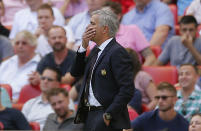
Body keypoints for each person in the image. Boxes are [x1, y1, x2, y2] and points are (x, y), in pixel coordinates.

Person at [70, 8, 134, 131]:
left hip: (107, 119)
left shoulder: (117, 52)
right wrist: (83, 46)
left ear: (105, 29)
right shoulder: (95, 50)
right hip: (89, 115)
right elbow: (75, 72)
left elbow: (127, 89)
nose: (88, 27)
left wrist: (109, 114)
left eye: (92, 23)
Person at [103, 1, 156, 66]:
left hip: (131, 72)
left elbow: (150, 57)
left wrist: (138, 72)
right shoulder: (97, 34)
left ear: (118, 16)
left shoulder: (132, 30)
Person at [0, 31, 41, 101]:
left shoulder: (40, 65)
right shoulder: (6, 63)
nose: (20, 46)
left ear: (34, 47)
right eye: (17, 43)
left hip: (22, 104)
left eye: (24, 43)